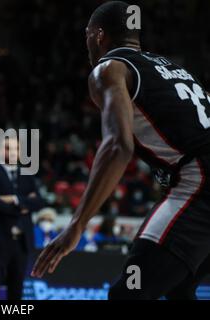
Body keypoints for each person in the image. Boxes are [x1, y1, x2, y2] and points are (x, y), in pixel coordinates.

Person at [32, 1, 210, 300]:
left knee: (126, 294)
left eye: (87, 35)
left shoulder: (109, 69)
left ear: (98, 35)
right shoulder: (175, 68)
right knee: (180, 288)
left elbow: (118, 146)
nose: (86, 44)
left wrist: (77, 224)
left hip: (200, 180)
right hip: (196, 177)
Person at [0, 137, 44, 300]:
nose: (13, 152)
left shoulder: (27, 175)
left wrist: (14, 199)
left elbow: (39, 202)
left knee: (16, 292)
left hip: (21, 242)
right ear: (0, 151)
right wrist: (24, 203)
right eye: (8, 148)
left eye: (16, 148)